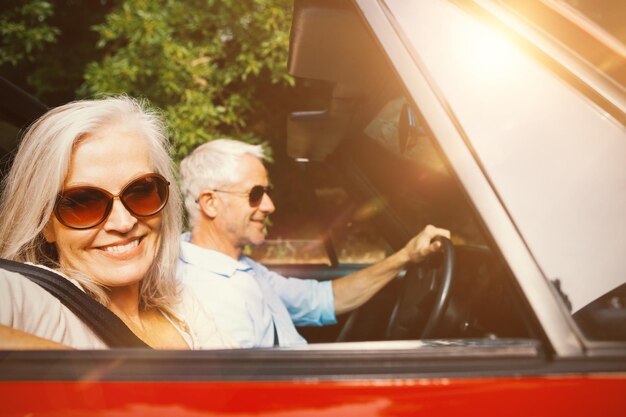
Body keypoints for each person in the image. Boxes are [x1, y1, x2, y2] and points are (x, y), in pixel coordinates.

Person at [0, 97, 236, 350]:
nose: (124, 223)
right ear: (45, 223)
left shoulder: (183, 308)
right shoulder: (25, 296)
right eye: (84, 203)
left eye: (141, 191)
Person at [178, 139, 450, 347]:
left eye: (267, 192)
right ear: (210, 203)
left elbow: (320, 301)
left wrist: (405, 257)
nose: (270, 205)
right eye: (255, 194)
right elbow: (243, 394)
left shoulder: (239, 267)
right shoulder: (204, 293)